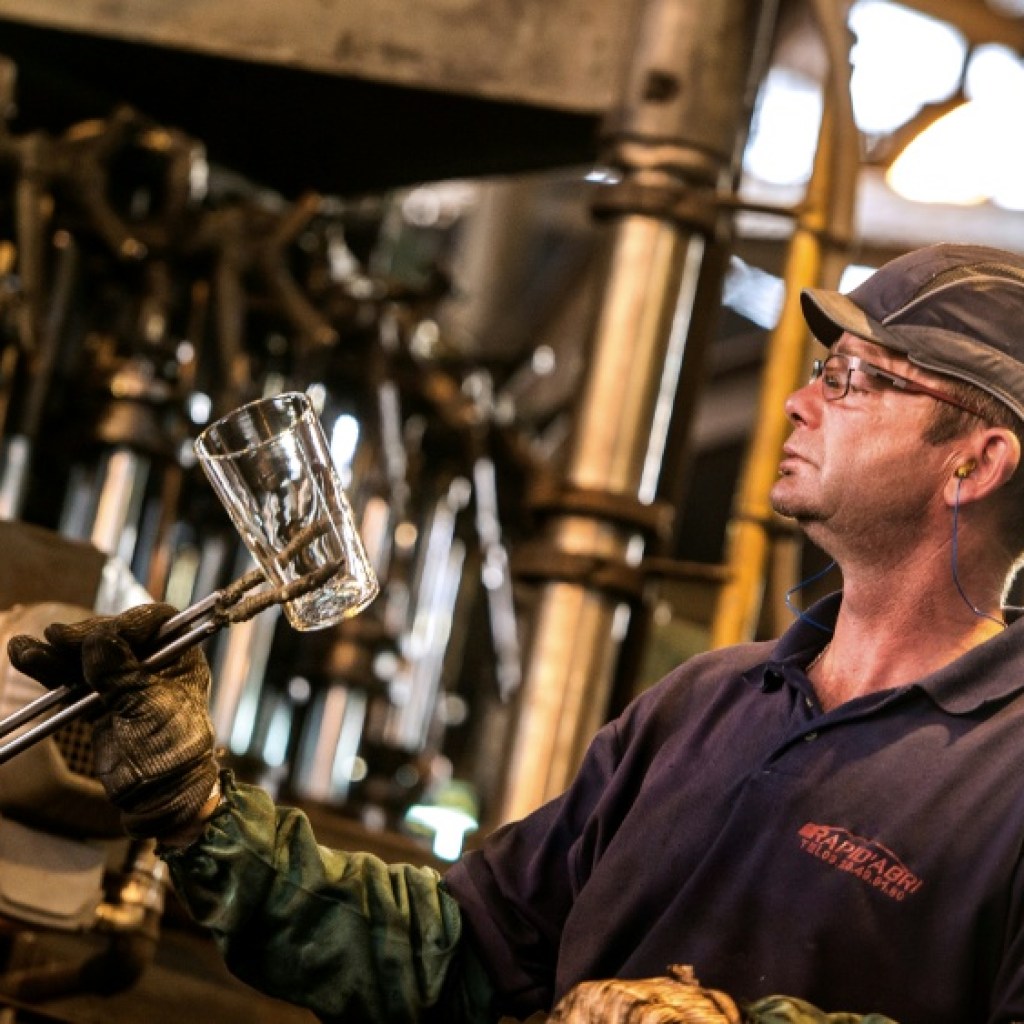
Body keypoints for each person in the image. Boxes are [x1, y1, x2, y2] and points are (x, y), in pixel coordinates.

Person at [8, 242, 1024, 1024]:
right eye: (820, 366)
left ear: (973, 463)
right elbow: (457, 956)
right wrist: (198, 807)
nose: (801, 400)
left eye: (855, 377)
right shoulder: (707, 702)